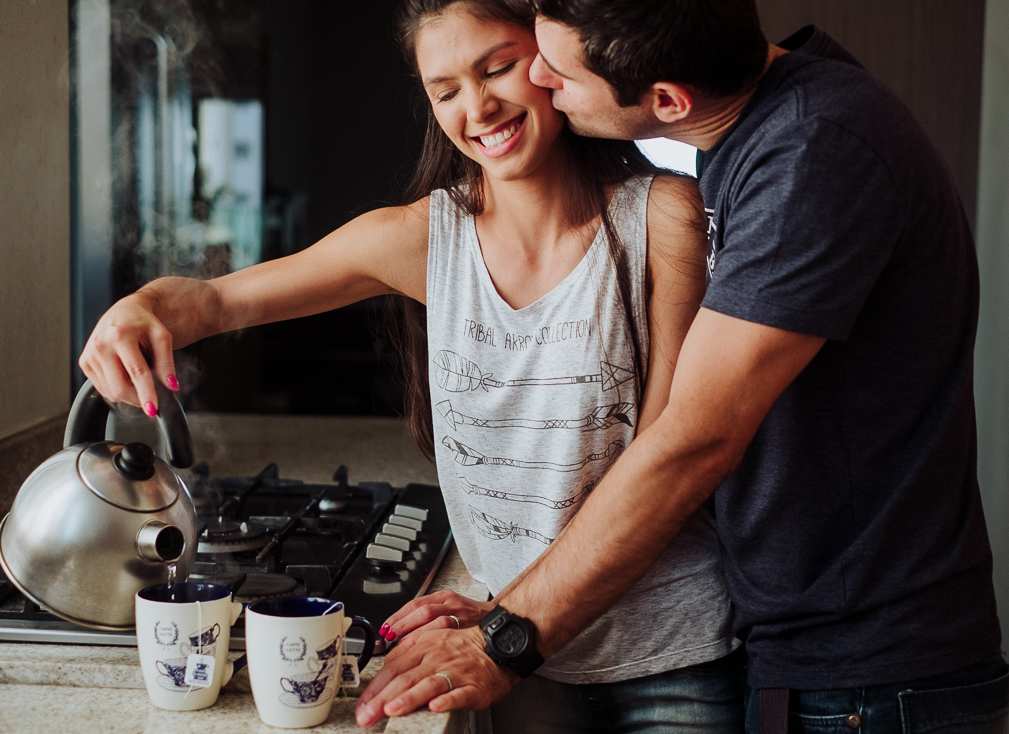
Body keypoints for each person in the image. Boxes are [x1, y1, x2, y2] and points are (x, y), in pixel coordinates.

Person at [79, 0, 745, 730]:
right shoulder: (423, 239)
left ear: (551, 58)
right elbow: (211, 302)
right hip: (510, 658)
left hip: (670, 655)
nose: (478, 105)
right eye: (446, 88)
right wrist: (140, 307)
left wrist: (511, 620)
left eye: (497, 67)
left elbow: (668, 461)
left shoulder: (661, 217)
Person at [357, 1, 1009, 732]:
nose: (539, 78)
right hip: (823, 656)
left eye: (559, 70)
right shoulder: (771, 128)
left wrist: (505, 637)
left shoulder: (811, 150)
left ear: (667, 100)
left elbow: (694, 439)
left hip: (867, 677)